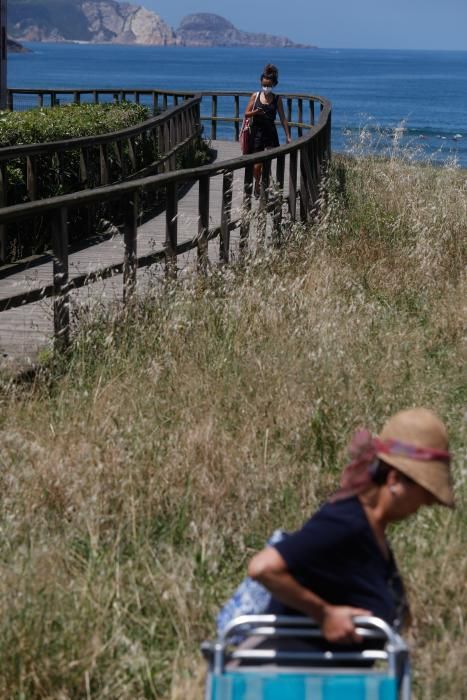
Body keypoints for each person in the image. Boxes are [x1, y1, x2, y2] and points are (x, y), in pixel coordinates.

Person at [248, 408, 454, 647]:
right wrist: (324, 614)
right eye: (426, 492)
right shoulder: (345, 524)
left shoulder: (371, 530)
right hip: (286, 678)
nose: (428, 502)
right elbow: (262, 568)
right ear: (394, 481)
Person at [244, 63, 291, 197]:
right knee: (257, 165)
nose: (266, 88)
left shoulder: (277, 99)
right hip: (257, 133)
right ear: (261, 82)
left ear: (274, 84)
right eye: (264, 85)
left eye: (269, 86)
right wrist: (255, 113)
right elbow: (246, 113)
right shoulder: (255, 96)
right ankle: (257, 182)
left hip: (270, 133)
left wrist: (288, 135)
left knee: (267, 161)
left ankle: (265, 185)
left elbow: (283, 118)